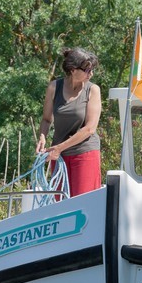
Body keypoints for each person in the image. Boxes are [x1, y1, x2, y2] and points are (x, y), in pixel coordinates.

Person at [37, 48, 103, 195]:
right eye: (87, 70)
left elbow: (89, 129)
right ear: (73, 70)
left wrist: (60, 147)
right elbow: (47, 119)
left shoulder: (93, 90)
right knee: (59, 203)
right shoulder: (54, 87)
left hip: (85, 152)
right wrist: (42, 136)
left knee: (82, 202)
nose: (90, 74)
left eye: (92, 70)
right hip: (59, 155)